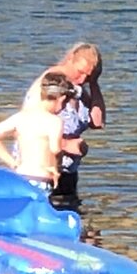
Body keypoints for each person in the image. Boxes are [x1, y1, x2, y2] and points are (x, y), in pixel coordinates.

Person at [23, 42, 105, 200]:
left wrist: (94, 83)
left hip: (68, 172)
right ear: (70, 60)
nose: (82, 79)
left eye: (89, 75)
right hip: (42, 173)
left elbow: (97, 121)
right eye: (80, 72)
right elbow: (28, 126)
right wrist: (66, 145)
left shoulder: (76, 88)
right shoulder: (49, 84)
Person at [0, 72, 74, 192]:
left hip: (20, 176)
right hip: (41, 178)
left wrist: (12, 162)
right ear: (61, 99)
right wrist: (55, 168)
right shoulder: (54, 121)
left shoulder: (21, 117)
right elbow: (55, 149)